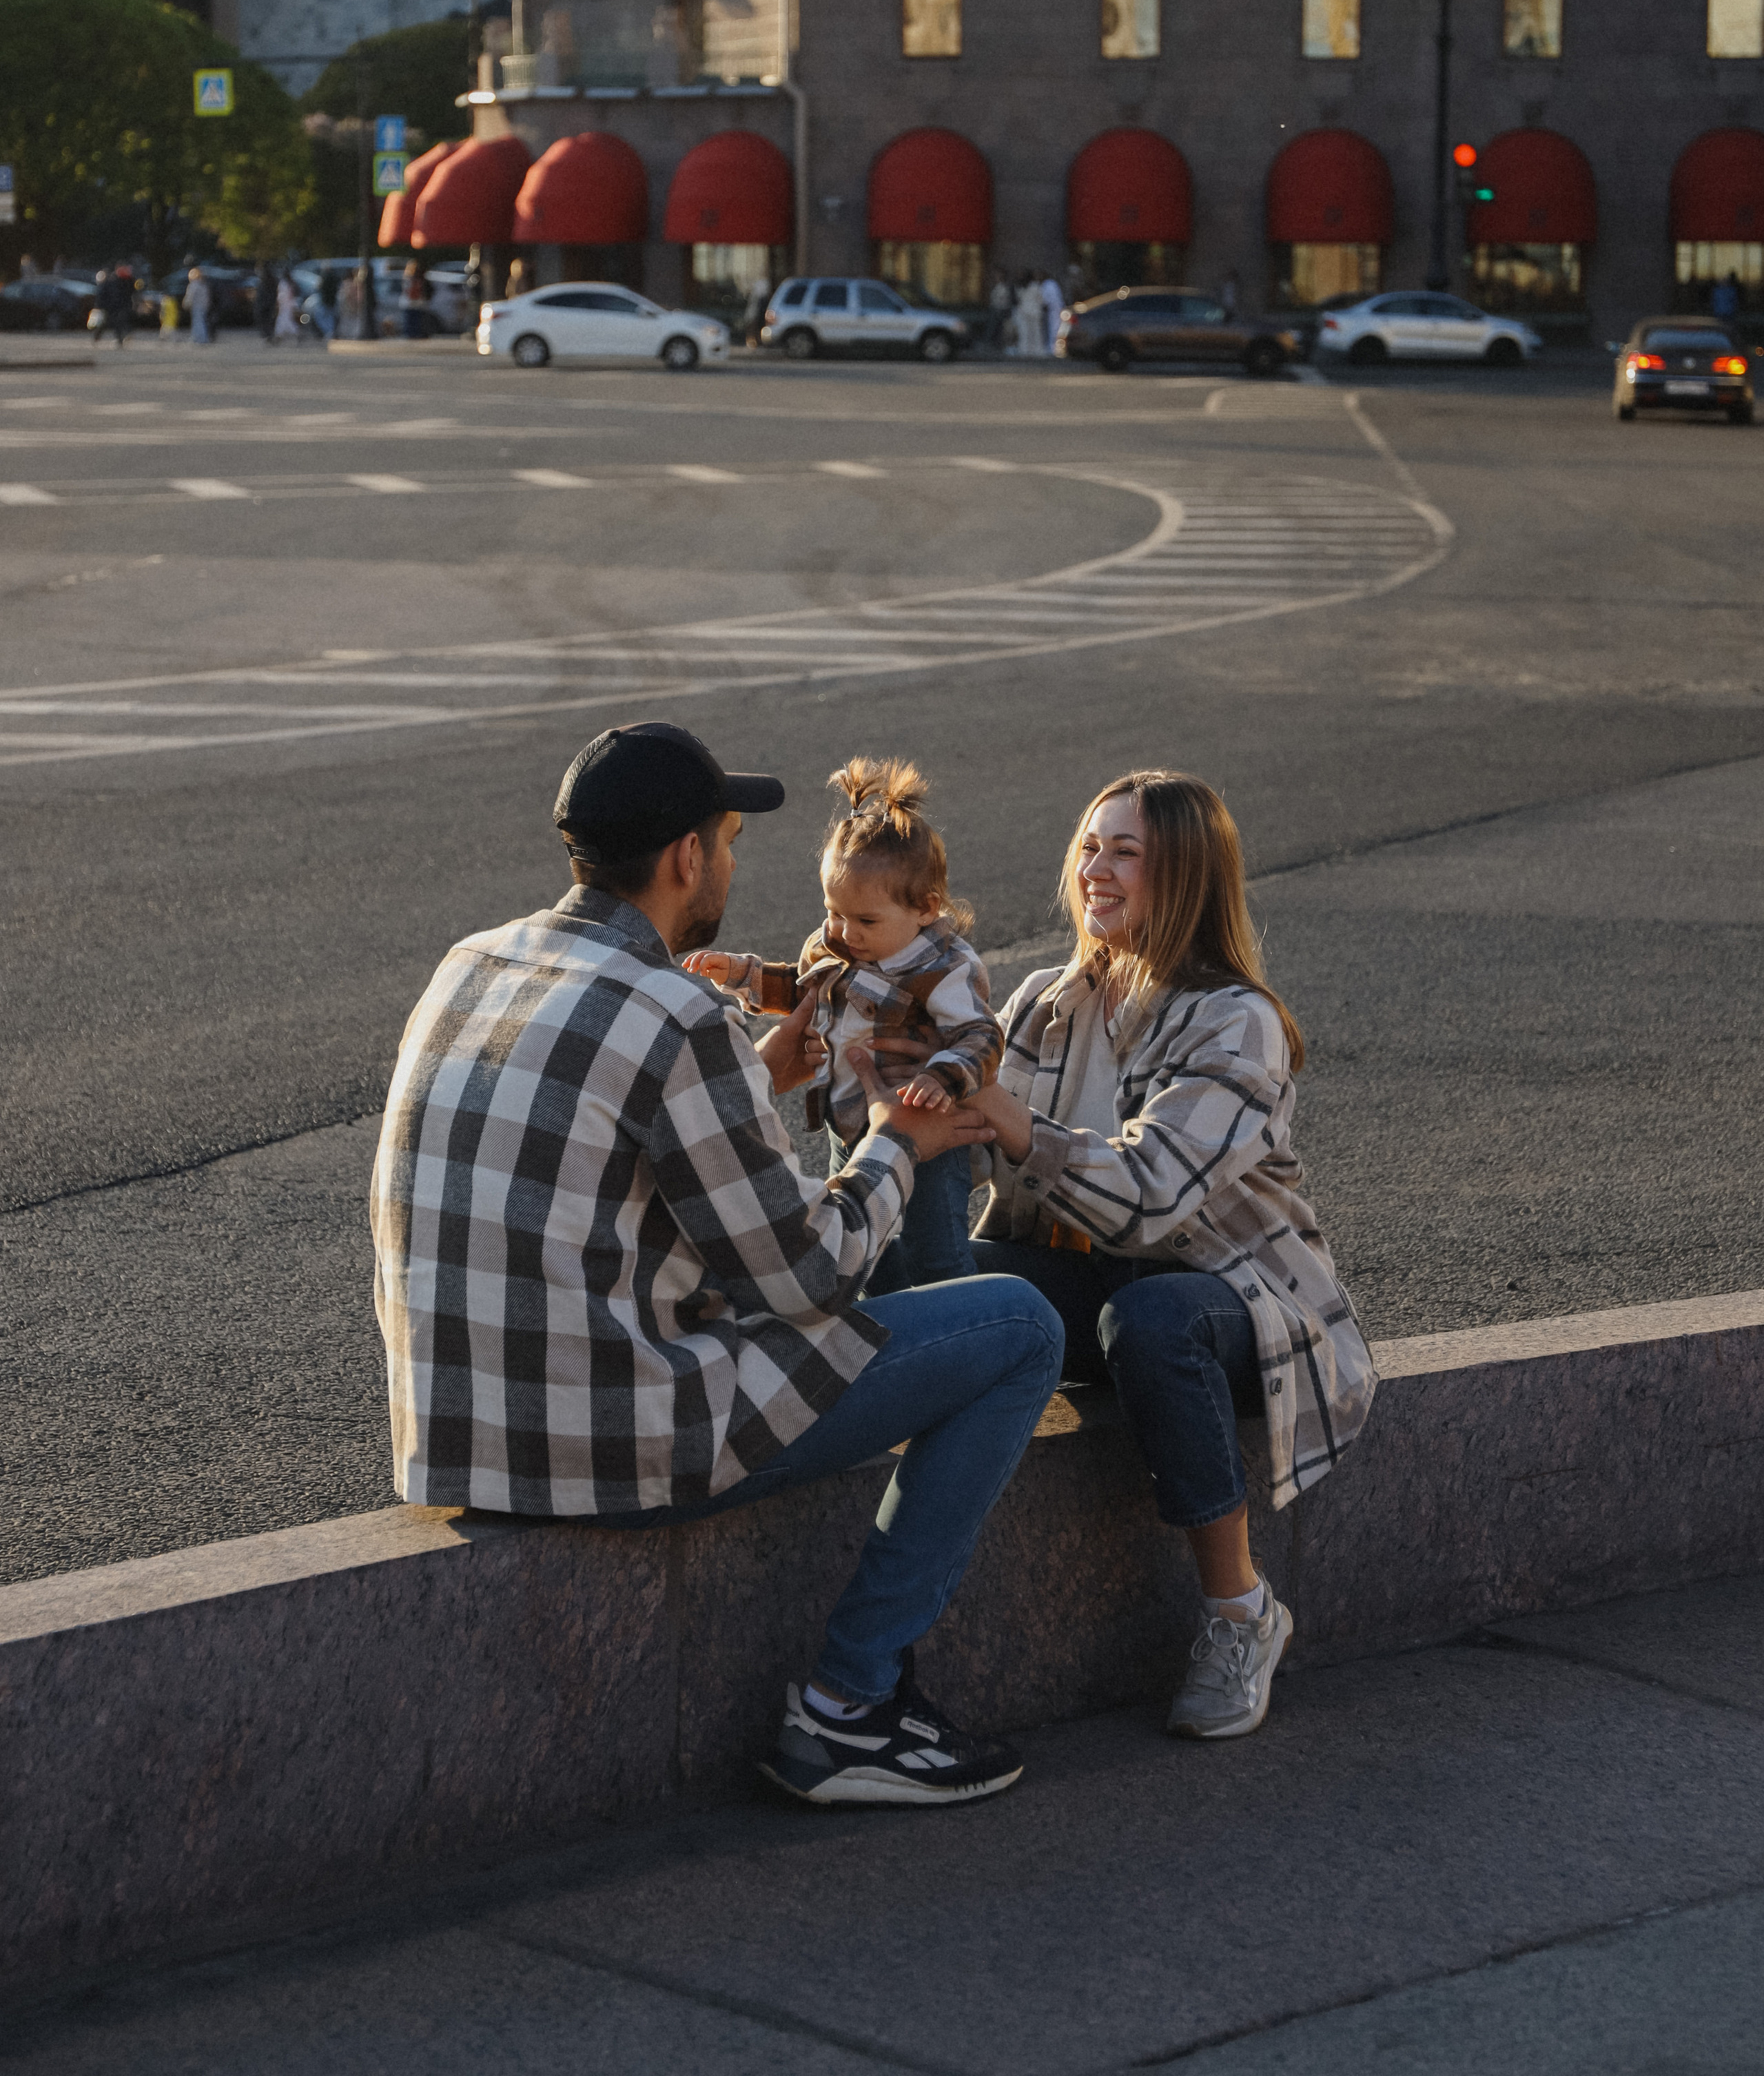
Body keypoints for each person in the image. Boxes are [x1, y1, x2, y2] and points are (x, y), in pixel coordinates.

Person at [370, 721, 1065, 1809]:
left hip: (455, 1444)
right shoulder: (675, 1012)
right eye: (731, 841)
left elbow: (599, 1146)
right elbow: (809, 1276)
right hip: (613, 1451)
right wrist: (898, 1143)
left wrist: (754, 1067)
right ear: (689, 858)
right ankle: (852, 1707)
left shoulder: (473, 961)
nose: (735, 866)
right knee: (1017, 1326)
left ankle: (859, 1706)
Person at [963, 770, 1377, 1744]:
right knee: (940, 1286)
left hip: (1238, 1306)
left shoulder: (1238, 1021)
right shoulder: (1045, 1001)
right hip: (1094, 1282)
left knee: (1150, 1318)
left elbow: (1150, 1200)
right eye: (1088, 846)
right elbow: (972, 1150)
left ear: (1185, 873)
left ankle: (1241, 1613)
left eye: (1125, 852)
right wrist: (860, 1070)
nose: (1095, 869)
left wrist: (1013, 1127)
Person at [684, 756, 1001, 1295]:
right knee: (856, 1246)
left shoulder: (943, 968)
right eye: (834, 911)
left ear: (926, 908)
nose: (844, 931)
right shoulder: (837, 942)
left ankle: (965, 1332)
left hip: (926, 1132)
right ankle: (880, 1332)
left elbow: (983, 1038)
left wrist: (941, 1076)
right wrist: (743, 975)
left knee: (936, 1256)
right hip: (846, 1122)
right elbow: (805, 989)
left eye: (866, 921)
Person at [94, 262, 134, 350]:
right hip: (111, 306)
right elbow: (103, 295)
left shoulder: (124, 281)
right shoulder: (112, 282)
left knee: (118, 323)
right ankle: (98, 337)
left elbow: (128, 293)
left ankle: (120, 340)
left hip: (117, 306)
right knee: (106, 323)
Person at [1012, 270, 1044, 357]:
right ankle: (1036, 351)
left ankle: (1024, 350)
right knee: (1035, 332)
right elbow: (1040, 300)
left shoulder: (1020, 287)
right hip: (1034, 312)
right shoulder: (1035, 286)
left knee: (1024, 332)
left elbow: (1018, 300)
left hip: (1024, 312)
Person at [400, 260, 432, 340]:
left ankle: (413, 335)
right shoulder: (417, 279)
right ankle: (414, 334)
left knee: (413, 321)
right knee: (414, 321)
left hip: (412, 303)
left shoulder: (408, 279)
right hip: (416, 303)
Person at [1038, 268, 1065, 354]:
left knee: (1054, 330)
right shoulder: (1052, 283)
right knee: (1055, 329)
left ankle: (1053, 349)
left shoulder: (1048, 284)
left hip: (1053, 310)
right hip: (1056, 310)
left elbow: (1047, 300)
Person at [185, 265, 214, 345]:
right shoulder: (203, 285)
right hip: (204, 306)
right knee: (202, 322)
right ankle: (203, 338)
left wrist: (186, 304)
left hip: (197, 306)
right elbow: (207, 297)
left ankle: (198, 338)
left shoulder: (193, 285)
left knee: (197, 322)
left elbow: (190, 296)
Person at [274, 268, 302, 340]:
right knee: (286, 320)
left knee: (284, 320)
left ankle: (279, 335)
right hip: (289, 304)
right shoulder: (290, 282)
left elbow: (283, 295)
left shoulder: (284, 283)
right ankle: (280, 335)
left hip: (285, 305)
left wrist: (279, 302)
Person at [254, 260, 277, 347]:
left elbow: (266, 294)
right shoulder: (268, 280)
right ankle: (268, 337)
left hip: (265, 304)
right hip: (267, 304)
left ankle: (268, 336)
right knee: (267, 322)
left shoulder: (266, 280)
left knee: (265, 321)